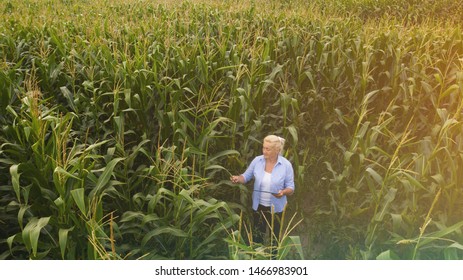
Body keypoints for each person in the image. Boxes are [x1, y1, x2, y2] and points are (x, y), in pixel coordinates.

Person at [230, 135, 295, 246]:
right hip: (259, 207)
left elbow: (291, 188)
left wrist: (283, 192)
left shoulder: (286, 165)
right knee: (257, 238)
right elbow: (246, 176)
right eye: (263, 148)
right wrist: (238, 178)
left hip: (277, 209)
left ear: (277, 150)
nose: (264, 151)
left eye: (268, 149)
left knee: (275, 240)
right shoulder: (257, 161)